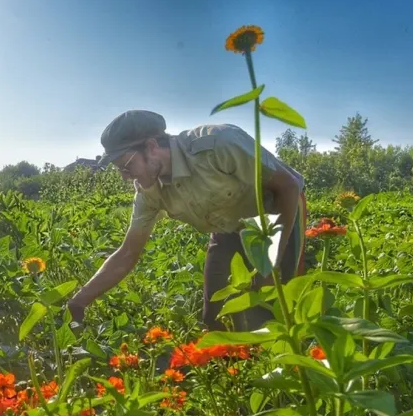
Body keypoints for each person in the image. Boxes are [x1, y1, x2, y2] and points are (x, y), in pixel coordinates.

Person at [66, 110, 308, 332]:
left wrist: (271, 260)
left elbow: (288, 186)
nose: (125, 177)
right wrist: (79, 301)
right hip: (227, 228)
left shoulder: (218, 144)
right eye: (119, 170)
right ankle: (233, 372)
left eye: (127, 166)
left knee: (272, 311)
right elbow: (128, 253)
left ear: (151, 146)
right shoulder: (148, 191)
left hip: (276, 214)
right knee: (216, 317)